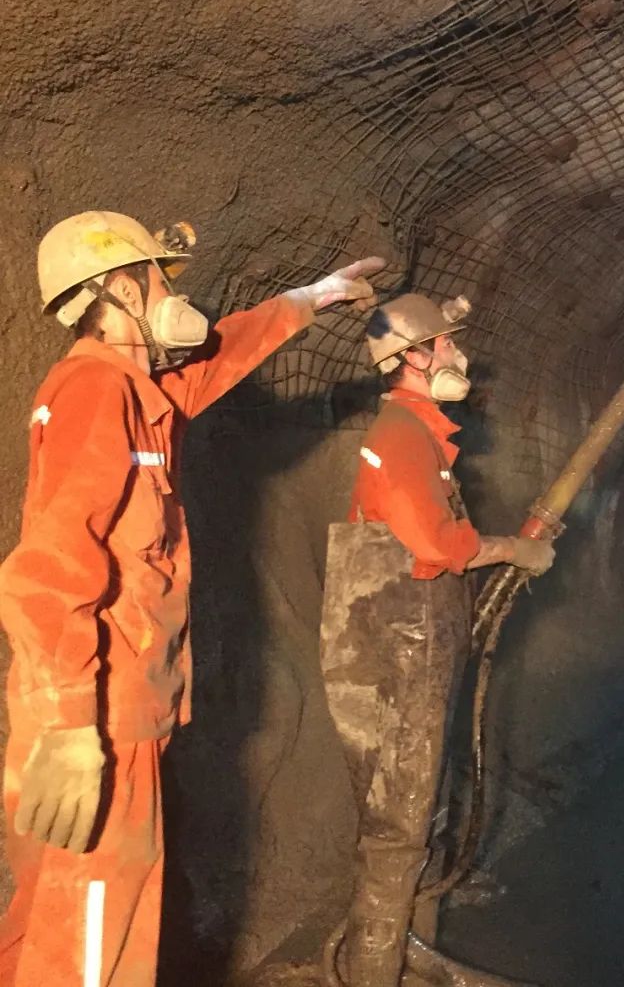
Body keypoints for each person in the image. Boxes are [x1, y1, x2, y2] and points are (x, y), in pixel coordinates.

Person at [0, 210, 384, 987]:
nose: (173, 293)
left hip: (113, 710)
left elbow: (220, 359)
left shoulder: (138, 394)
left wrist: (312, 297)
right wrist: (73, 728)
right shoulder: (94, 390)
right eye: (157, 276)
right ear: (119, 287)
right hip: (96, 722)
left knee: (50, 925)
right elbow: (49, 564)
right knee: (92, 950)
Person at [321, 293, 554, 987]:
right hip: (398, 650)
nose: (458, 352)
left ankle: (408, 945)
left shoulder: (420, 435)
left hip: (412, 646)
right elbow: (432, 543)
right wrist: (513, 548)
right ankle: (373, 970)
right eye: (446, 342)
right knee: (398, 824)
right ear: (415, 357)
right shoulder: (400, 433)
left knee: (417, 804)